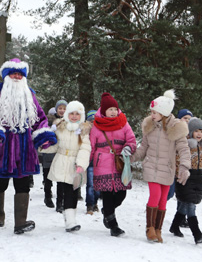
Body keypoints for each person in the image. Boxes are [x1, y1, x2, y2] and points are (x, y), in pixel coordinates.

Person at [0, 58, 57, 234]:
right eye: (14, 74)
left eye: (20, 74)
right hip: (2, 148)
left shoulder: (30, 96)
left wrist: (42, 134)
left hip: (25, 149)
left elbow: (40, 118)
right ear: (6, 76)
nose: (17, 77)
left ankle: (20, 222)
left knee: (23, 183)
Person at [131, 89, 191, 243]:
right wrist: (131, 157)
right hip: (151, 166)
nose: (152, 115)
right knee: (155, 195)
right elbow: (143, 148)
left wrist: (184, 167)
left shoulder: (176, 128)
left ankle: (158, 229)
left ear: (164, 112)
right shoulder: (149, 126)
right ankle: (149, 228)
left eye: (155, 112)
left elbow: (184, 149)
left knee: (164, 199)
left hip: (167, 168)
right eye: (151, 112)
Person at [89, 93, 136, 236]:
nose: (114, 112)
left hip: (119, 163)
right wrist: (84, 163)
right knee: (108, 195)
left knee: (121, 194)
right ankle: (113, 225)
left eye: (115, 109)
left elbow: (132, 140)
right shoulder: (96, 126)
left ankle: (107, 211)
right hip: (101, 163)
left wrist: (128, 148)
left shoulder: (123, 123)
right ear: (103, 111)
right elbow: (91, 146)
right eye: (110, 109)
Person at [41, 101, 91, 232]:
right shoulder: (60, 126)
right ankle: (69, 220)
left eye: (77, 114)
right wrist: (44, 146)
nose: (74, 116)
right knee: (65, 190)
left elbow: (85, 148)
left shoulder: (83, 130)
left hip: (75, 164)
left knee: (73, 191)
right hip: (61, 161)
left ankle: (70, 220)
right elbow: (55, 145)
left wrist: (81, 164)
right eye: (72, 113)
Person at [169, 117, 202, 244]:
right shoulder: (185, 145)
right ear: (190, 131)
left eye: (201, 131)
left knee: (184, 204)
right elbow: (177, 161)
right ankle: (197, 234)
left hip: (199, 179)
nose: (199, 134)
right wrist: (180, 174)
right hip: (186, 177)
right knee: (190, 205)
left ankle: (174, 226)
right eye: (196, 131)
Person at [167, 108, 194, 227]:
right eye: (185, 118)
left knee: (183, 196)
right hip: (172, 170)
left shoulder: (192, 135)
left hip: (184, 171)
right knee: (169, 193)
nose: (187, 121)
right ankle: (156, 207)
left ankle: (181, 219)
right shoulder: (175, 132)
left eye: (189, 119)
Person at [41, 100, 67, 210]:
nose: (62, 110)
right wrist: (50, 131)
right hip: (50, 151)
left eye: (64, 108)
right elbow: (42, 134)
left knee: (61, 179)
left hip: (61, 152)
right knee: (48, 177)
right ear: (56, 109)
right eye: (60, 108)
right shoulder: (49, 120)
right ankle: (47, 196)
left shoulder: (69, 121)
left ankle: (60, 203)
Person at [84, 109, 100, 215]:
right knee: (90, 184)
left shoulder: (101, 132)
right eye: (91, 121)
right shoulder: (85, 133)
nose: (93, 123)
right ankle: (89, 204)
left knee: (98, 185)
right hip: (89, 161)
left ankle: (95, 203)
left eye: (95, 121)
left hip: (100, 162)